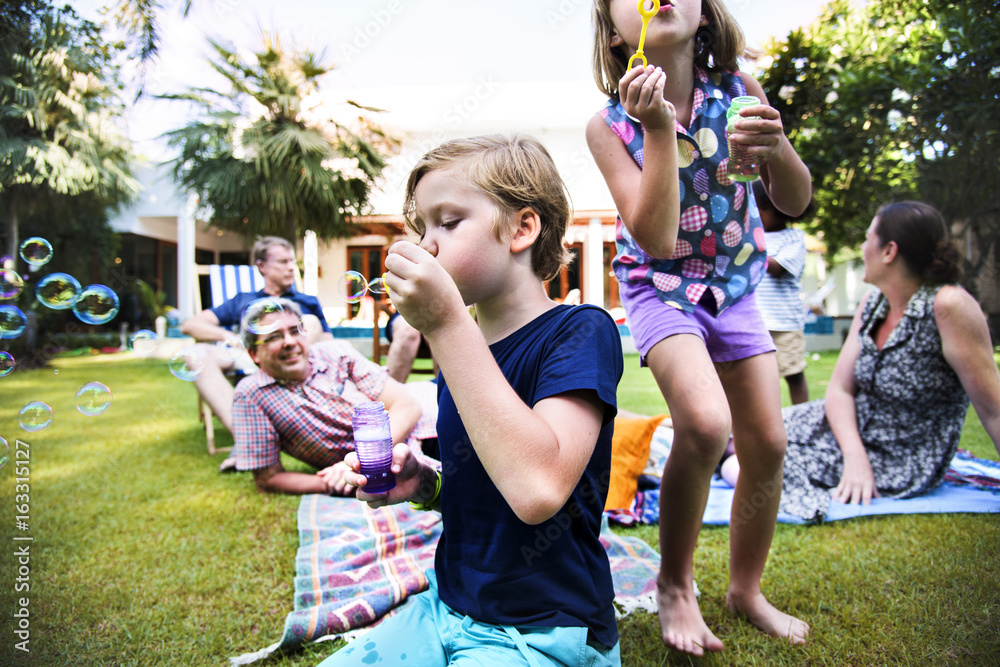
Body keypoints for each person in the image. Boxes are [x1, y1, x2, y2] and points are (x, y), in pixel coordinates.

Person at [319, 135, 624, 667]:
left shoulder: (580, 332)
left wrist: (444, 324)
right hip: (449, 606)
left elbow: (536, 490)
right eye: (422, 227)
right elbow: (486, 482)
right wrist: (426, 481)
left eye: (448, 222)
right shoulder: (462, 347)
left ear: (522, 228)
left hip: (543, 625)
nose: (426, 245)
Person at [586, 0, 812, 655]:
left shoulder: (740, 91)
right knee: (707, 424)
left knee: (768, 440)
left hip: (737, 284)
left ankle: (746, 588)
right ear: (611, 30)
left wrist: (778, 147)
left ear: (706, 14)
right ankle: (676, 584)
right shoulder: (608, 127)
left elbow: (793, 201)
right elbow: (655, 237)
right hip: (659, 288)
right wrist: (658, 129)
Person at [721, 202, 1000, 519]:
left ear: (889, 251)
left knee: (740, 463)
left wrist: (858, 459)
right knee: (743, 435)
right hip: (846, 430)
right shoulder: (873, 304)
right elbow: (840, 389)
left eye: (868, 238)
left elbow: (993, 410)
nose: (863, 246)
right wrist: (854, 456)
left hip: (898, 457)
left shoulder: (948, 305)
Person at [231, 298, 437, 495]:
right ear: (253, 354)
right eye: (274, 336)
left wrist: (361, 461)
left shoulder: (334, 353)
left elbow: (407, 405)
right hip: (403, 458)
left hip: (433, 410)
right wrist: (341, 477)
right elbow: (268, 479)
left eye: (295, 331)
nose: (289, 342)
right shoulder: (251, 395)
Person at [179, 236, 332, 433]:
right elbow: (190, 325)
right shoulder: (244, 300)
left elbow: (327, 343)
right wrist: (228, 337)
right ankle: (244, 434)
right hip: (250, 356)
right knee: (196, 354)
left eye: (292, 261)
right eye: (283, 262)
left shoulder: (307, 301)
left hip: (296, 355)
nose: (291, 267)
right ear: (262, 266)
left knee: (311, 322)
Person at [753, 179, 812, 405]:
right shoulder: (749, 235)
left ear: (769, 208)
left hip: (785, 322)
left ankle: (801, 415)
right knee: (757, 376)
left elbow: (778, 269)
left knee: (793, 373)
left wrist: (748, 254)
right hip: (755, 321)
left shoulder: (793, 238)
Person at [384, 307, 438, 383]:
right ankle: (389, 391)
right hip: (405, 311)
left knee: (438, 331)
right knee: (407, 331)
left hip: (442, 312)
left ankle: (447, 393)